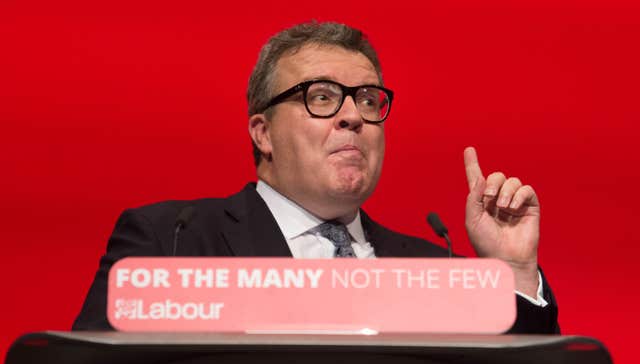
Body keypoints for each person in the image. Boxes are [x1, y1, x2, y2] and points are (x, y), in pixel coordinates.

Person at [73, 22, 559, 333]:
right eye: (322, 97)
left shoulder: (440, 269)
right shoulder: (173, 243)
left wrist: (514, 272)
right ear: (262, 132)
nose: (353, 116)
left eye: (368, 99)